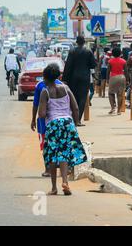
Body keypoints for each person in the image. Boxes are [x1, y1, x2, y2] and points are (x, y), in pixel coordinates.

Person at [38, 63, 87, 196]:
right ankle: (65, 181)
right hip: (67, 122)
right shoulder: (65, 88)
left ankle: (54, 187)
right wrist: (75, 123)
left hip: (53, 124)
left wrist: (42, 109)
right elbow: (75, 107)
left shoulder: (45, 91)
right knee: (64, 153)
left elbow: (42, 114)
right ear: (58, 76)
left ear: (45, 78)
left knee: (53, 156)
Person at [31, 77, 63, 177]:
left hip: (44, 120)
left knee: (46, 145)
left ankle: (48, 169)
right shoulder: (62, 85)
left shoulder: (40, 86)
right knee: (60, 144)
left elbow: (36, 104)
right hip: (59, 119)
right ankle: (63, 170)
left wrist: (33, 119)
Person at [62, 36, 97, 126]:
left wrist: (64, 79)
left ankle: (73, 118)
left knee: (73, 98)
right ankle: (78, 120)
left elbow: (68, 66)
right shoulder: (88, 51)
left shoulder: (72, 51)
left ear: (76, 42)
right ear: (84, 42)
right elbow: (93, 65)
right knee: (82, 99)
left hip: (73, 78)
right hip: (84, 78)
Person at [107, 48, 127, 115]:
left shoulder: (110, 61)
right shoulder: (124, 61)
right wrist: (127, 80)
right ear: (120, 53)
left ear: (112, 53)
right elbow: (126, 71)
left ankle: (113, 108)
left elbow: (108, 71)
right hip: (121, 77)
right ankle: (119, 110)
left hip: (113, 77)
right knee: (120, 94)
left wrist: (107, 79)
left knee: (111, 93)